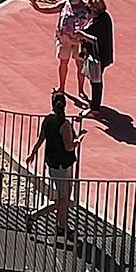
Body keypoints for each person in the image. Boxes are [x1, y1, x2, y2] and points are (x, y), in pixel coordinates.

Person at [25, 90, 82, 234]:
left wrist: (33, 153)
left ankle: (61, 225)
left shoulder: (48, 120)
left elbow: (41, 139)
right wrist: (79, 140)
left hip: (52, 164)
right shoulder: (65, 125)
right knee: (63, 199)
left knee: (63, 198)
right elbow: (69, 147)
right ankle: (35, 216)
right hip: (64, 165)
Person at [30, 0, 90, 98]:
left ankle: (81, 90)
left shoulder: (86, 7)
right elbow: (50, 9)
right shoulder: (64, 4)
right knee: (63, 62)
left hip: (80, 41)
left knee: (80, 64)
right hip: (65, 39)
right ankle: (61, 87)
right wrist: (38, 8)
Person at [78, 0, 115, 115]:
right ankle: (95, 103)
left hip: (99, 56)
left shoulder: (102, 21)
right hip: (94, 55)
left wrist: (83, 35)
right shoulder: (99, 18)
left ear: (94, 9)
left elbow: (97, 39)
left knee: (96, 81)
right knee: (94, 80)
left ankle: (94, 109)